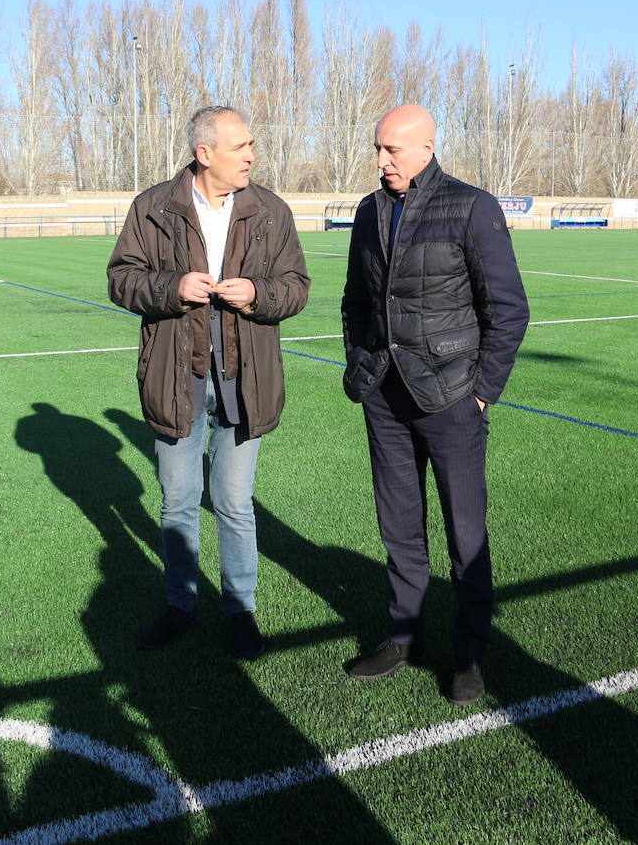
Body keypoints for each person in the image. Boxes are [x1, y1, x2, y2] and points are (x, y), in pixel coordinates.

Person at [340, 104, 530, 705]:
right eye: (378, 149)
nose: (380, 161)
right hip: (385, 394)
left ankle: (470, 650)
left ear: (426, 148)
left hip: (450, 398)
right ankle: (402, 637)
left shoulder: (472, 207)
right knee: (399, 527)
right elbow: (355, 299)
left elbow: (507, 308)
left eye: (392, 151)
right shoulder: (369, 211)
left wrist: (480, 393)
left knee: (464, 531)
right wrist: (360, 363)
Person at [108, 106, 310, 660]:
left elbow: (296, 286)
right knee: (178, 501)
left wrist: (258, 294)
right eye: (241, 145)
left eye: (251, 144)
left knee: (234, 502)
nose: (251, 154)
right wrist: (174, 287)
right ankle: (181, 606)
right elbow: (121, 280)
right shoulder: (152, 208)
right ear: (205, 153)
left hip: (247, 379)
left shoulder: (271, 210)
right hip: (177, 378)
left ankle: (240, 611)